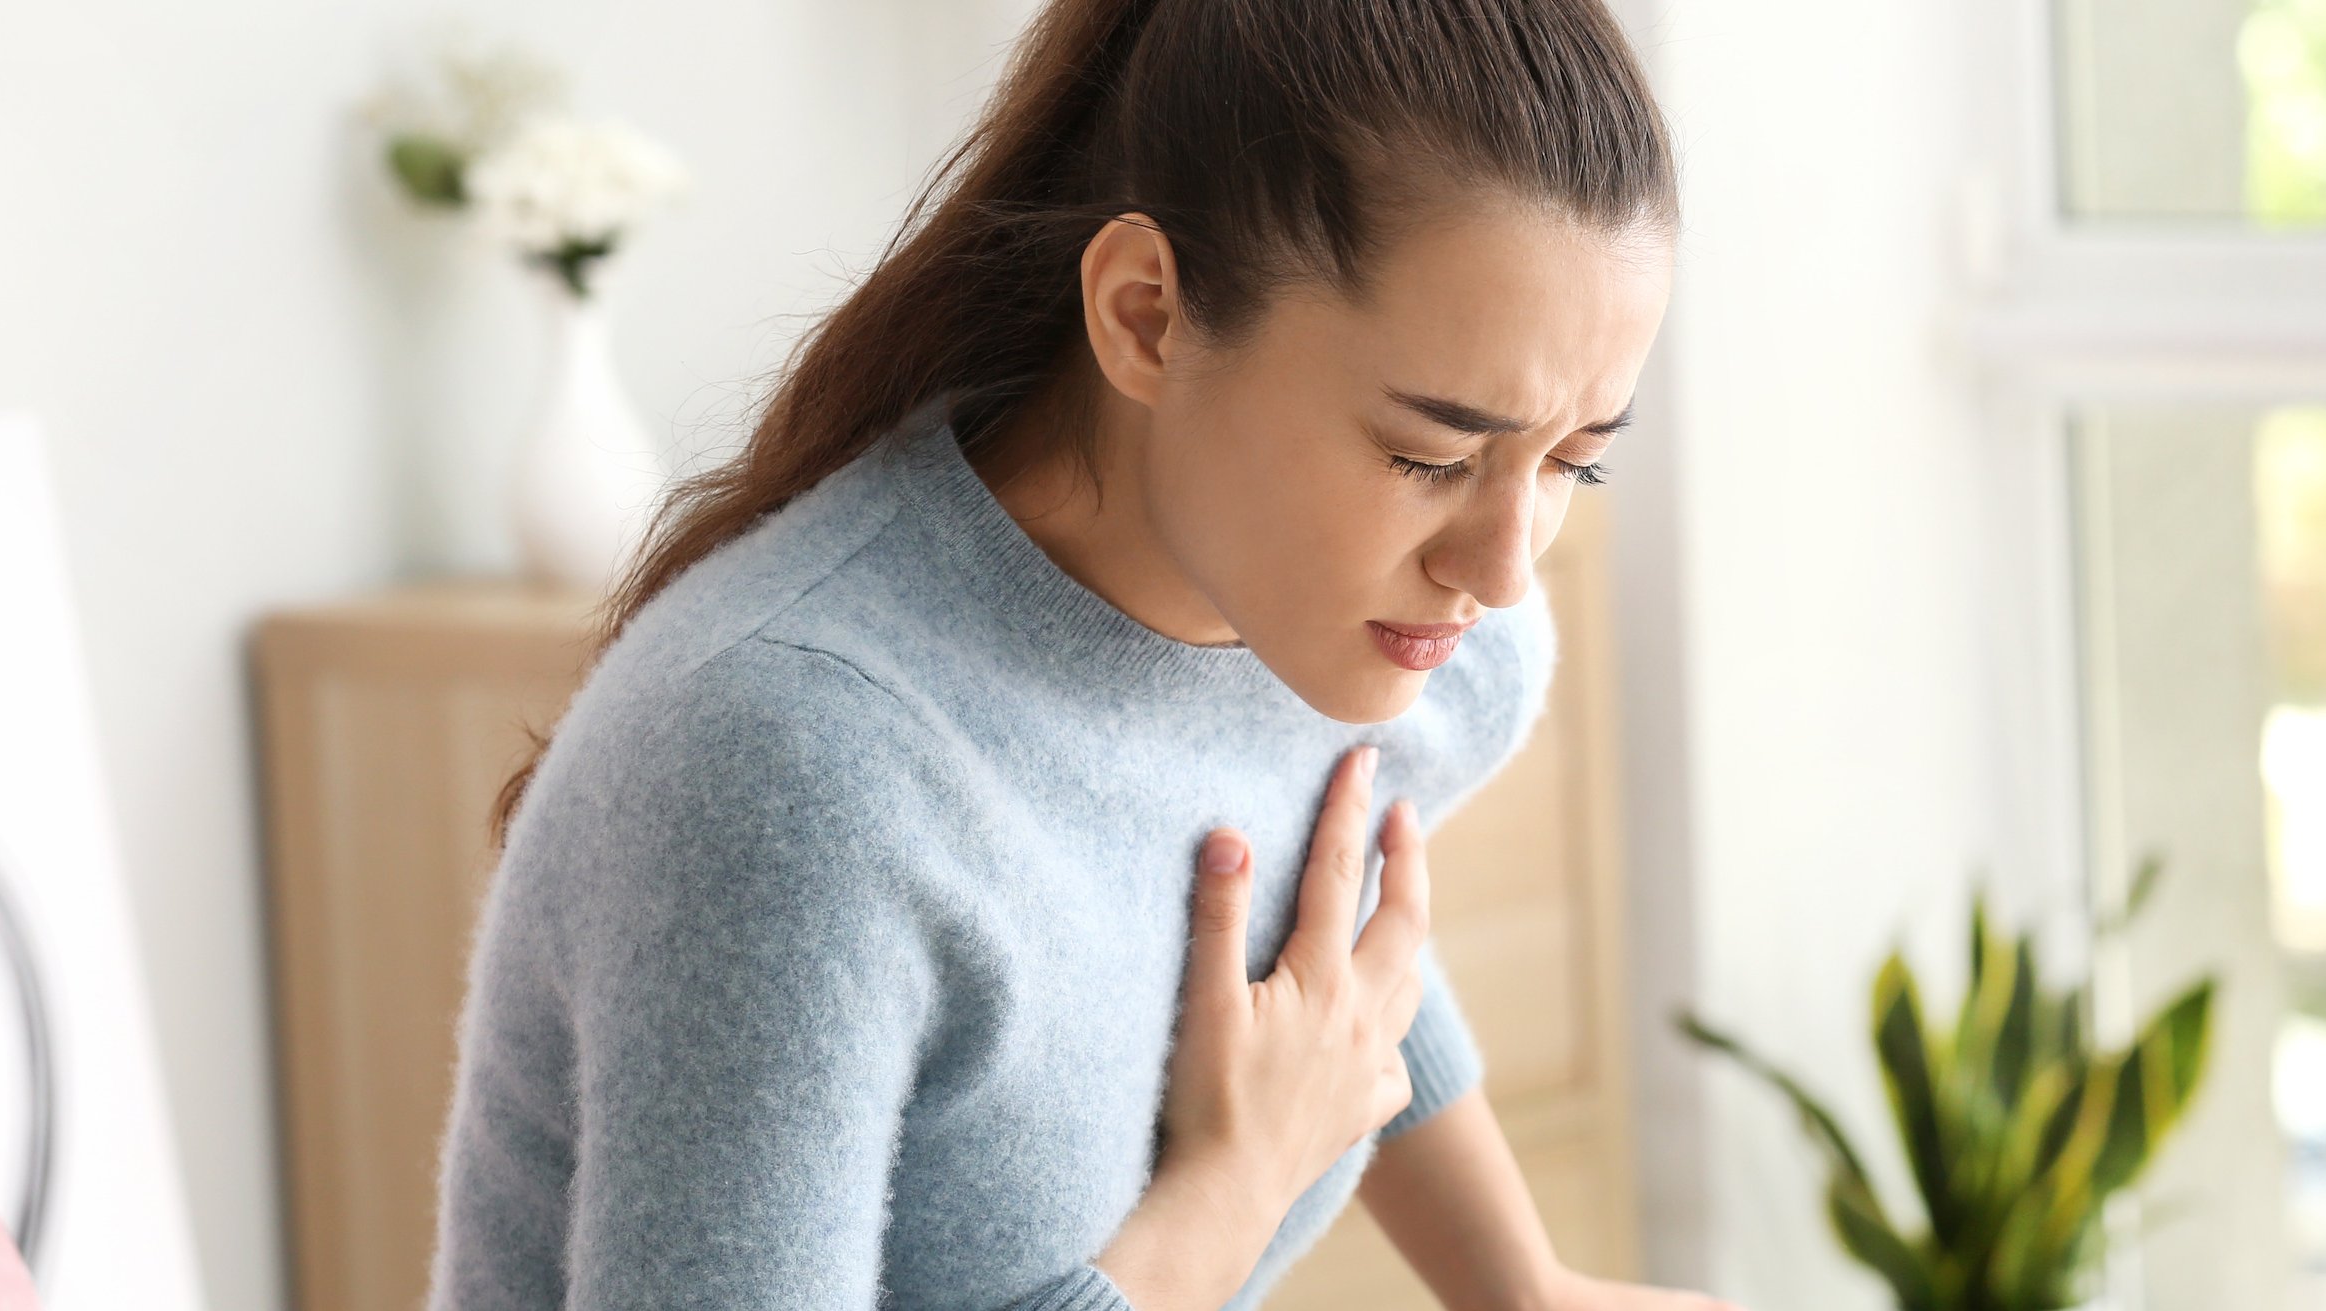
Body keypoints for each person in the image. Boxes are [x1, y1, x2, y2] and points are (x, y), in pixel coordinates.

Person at [428, 1, 1728, 1308]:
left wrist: (1521, 1286)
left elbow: (1316, 912)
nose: (1505, 567)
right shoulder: (796, 774)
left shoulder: (1364, 631)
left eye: (1574, 459)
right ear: (1148, 316)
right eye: (1430, 457)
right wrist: (1233, 1187)